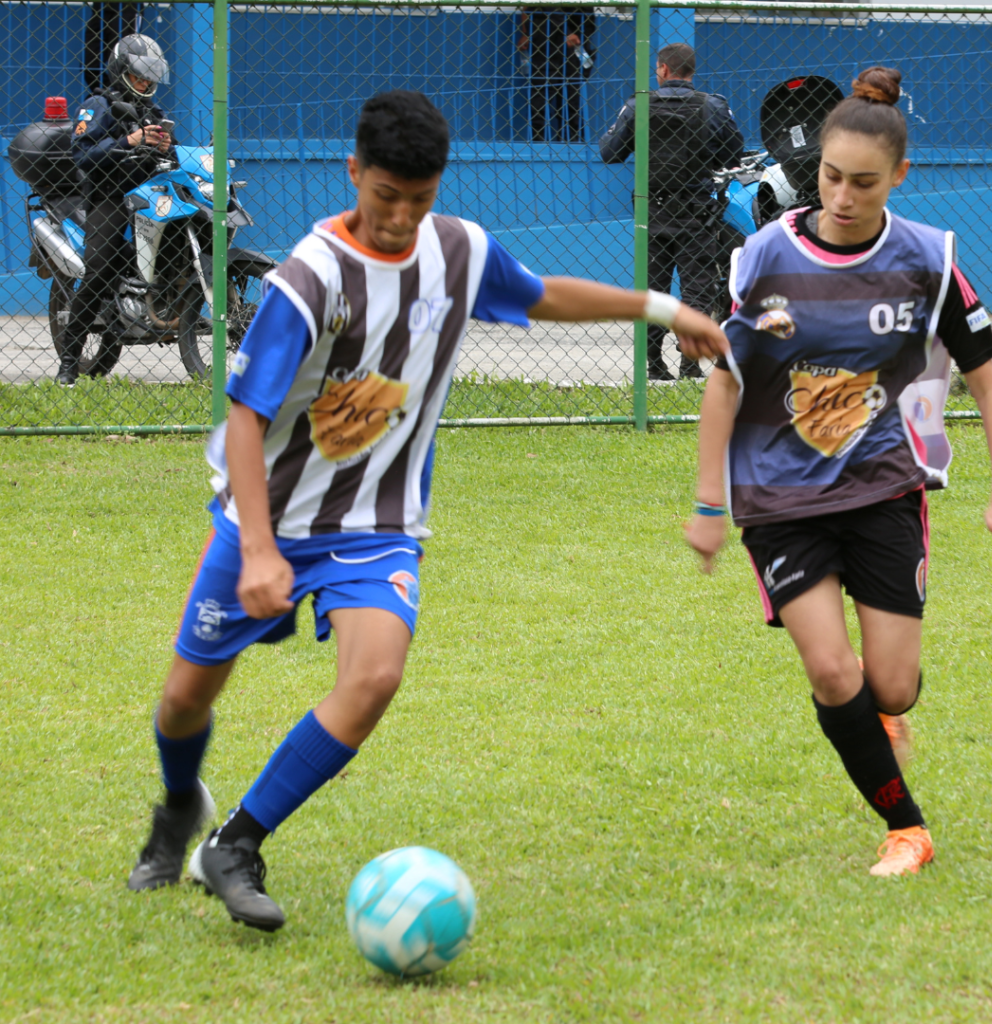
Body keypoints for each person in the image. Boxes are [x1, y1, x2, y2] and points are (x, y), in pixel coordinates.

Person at [126, 89, 729, 931]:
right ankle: (180, 806)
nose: (401, 218)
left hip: (376, 524)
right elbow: (246, 417)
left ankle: (237, 841)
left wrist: (664, 308)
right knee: (186, 700)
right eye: (385, 198)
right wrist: (259, 551)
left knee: (374, 674)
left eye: (419, 199)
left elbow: (542, 294)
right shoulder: (307, 279)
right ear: (353, 175)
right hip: (265, 517)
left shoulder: (458, 251)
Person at [686, 67, 992, 877]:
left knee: (893, 688)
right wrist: (707, 502)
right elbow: (727, 383)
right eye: (831, 176)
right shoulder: (762, 255)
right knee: (833, 669)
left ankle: (881, 719)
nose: (840, 195)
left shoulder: (926, 261)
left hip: (882, 489)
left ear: (898, 178)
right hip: (779, 496)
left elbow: (986, 380)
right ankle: (907, 828)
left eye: (863, 183)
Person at [600, 42, 744, 381]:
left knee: (652, 289)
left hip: (650, 213)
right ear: (691, 70)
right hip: (697, 213)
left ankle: (653, 364)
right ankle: (690, 363)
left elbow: (609, 152)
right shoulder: (713, 106)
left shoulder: (638, 106)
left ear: (663, 69)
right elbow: (733, 156)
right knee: (697, 288)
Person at [56, 33, 172, 387]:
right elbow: (82, 153)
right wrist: (129, 141)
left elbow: (173, 154)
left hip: (149, 198)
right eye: (140, 76)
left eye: (151, 77)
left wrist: (167, 145)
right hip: (110, 198)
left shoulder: (154, 112)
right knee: (98, 271)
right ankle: (68, 364)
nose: (147, 83)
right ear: (121, 72)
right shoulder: (99, 104)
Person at [518, 5, 596, 143]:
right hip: (545, 40)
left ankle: (571, 140)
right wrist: (526, 32)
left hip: (574, 42)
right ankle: (538, 140)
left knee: (571, 93)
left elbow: (588, 18)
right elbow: (529, 6)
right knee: (540, 93)